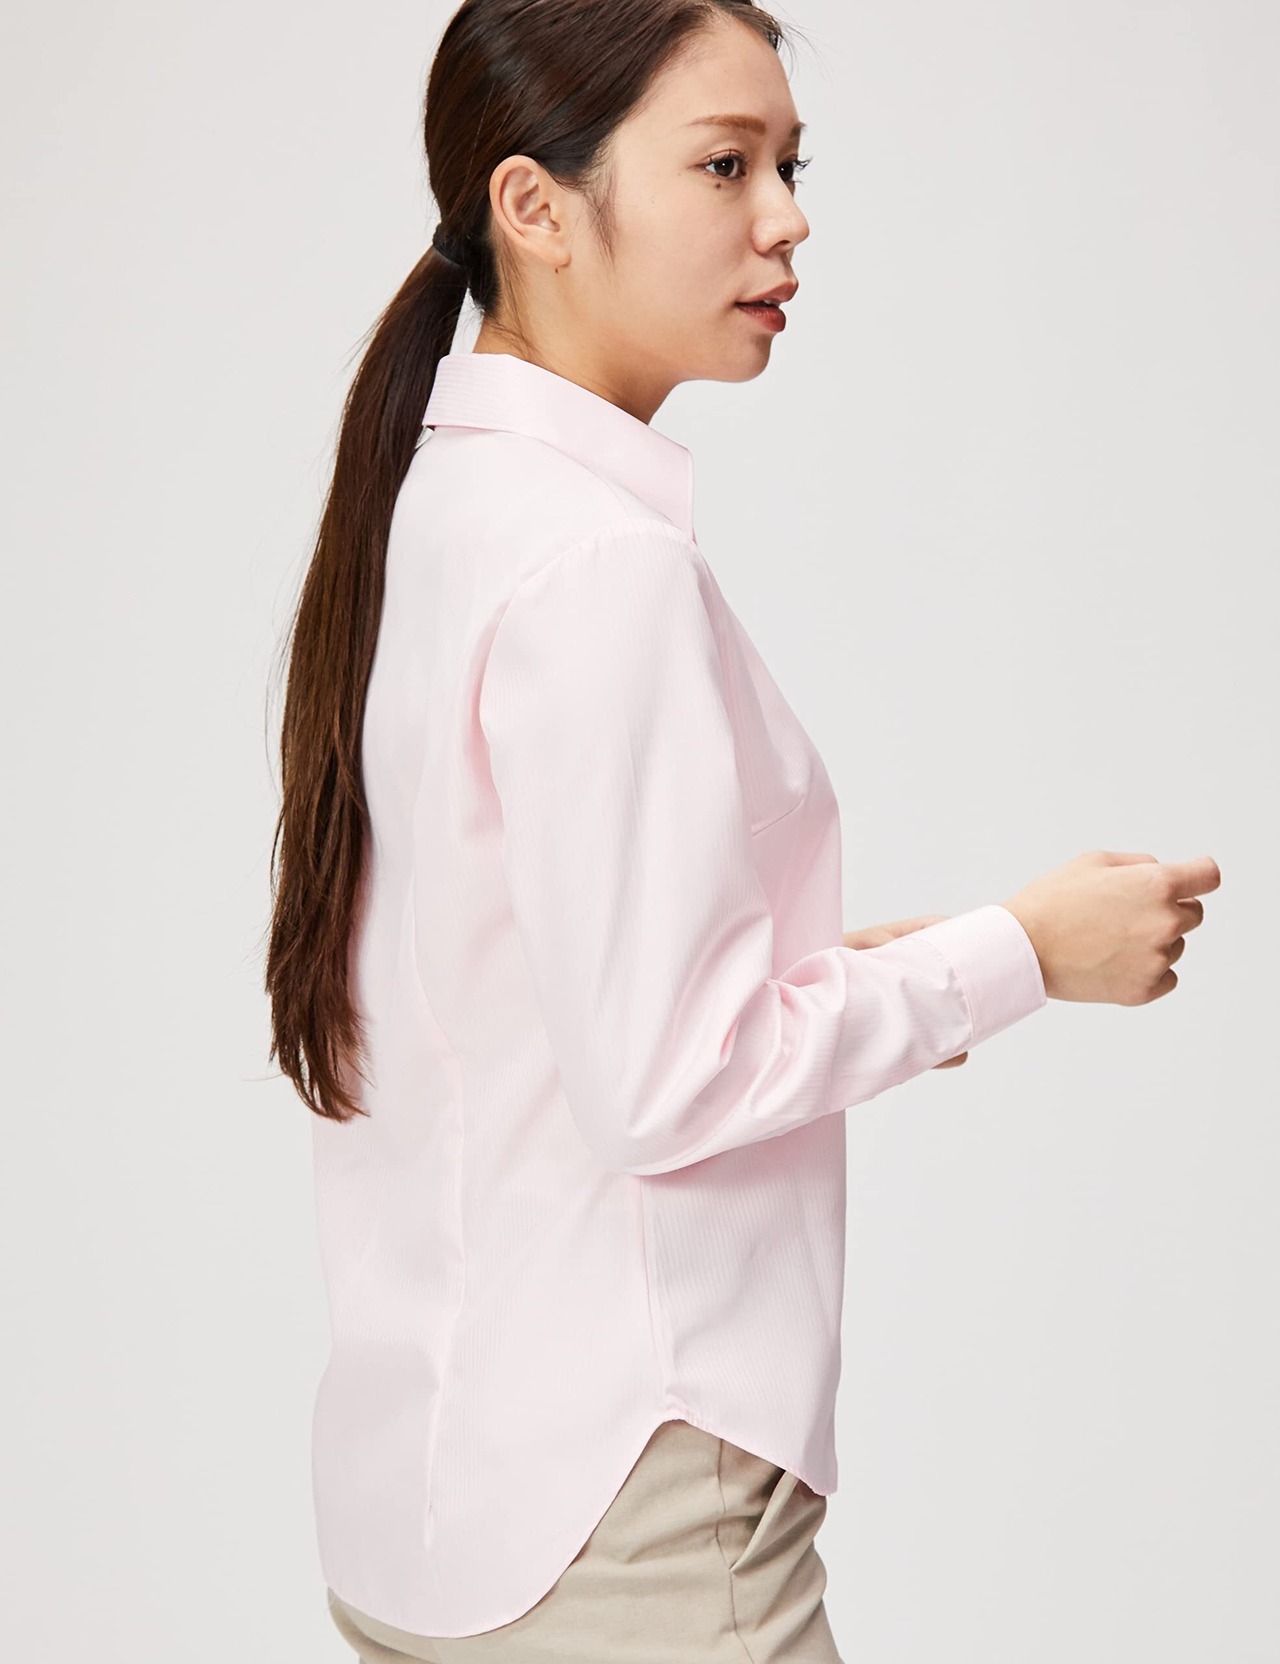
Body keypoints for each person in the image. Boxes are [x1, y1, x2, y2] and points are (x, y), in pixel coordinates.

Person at [262, 0, 1221, 1658]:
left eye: (790, 165)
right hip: (627, 1518)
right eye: (725, 165)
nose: (786, 218)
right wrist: (1021, 956)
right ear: (534, 206)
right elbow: (665, 1083)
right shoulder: (598, 565)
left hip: (433, 1506)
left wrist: (898, 967)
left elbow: (515, 995)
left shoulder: (440, 504)